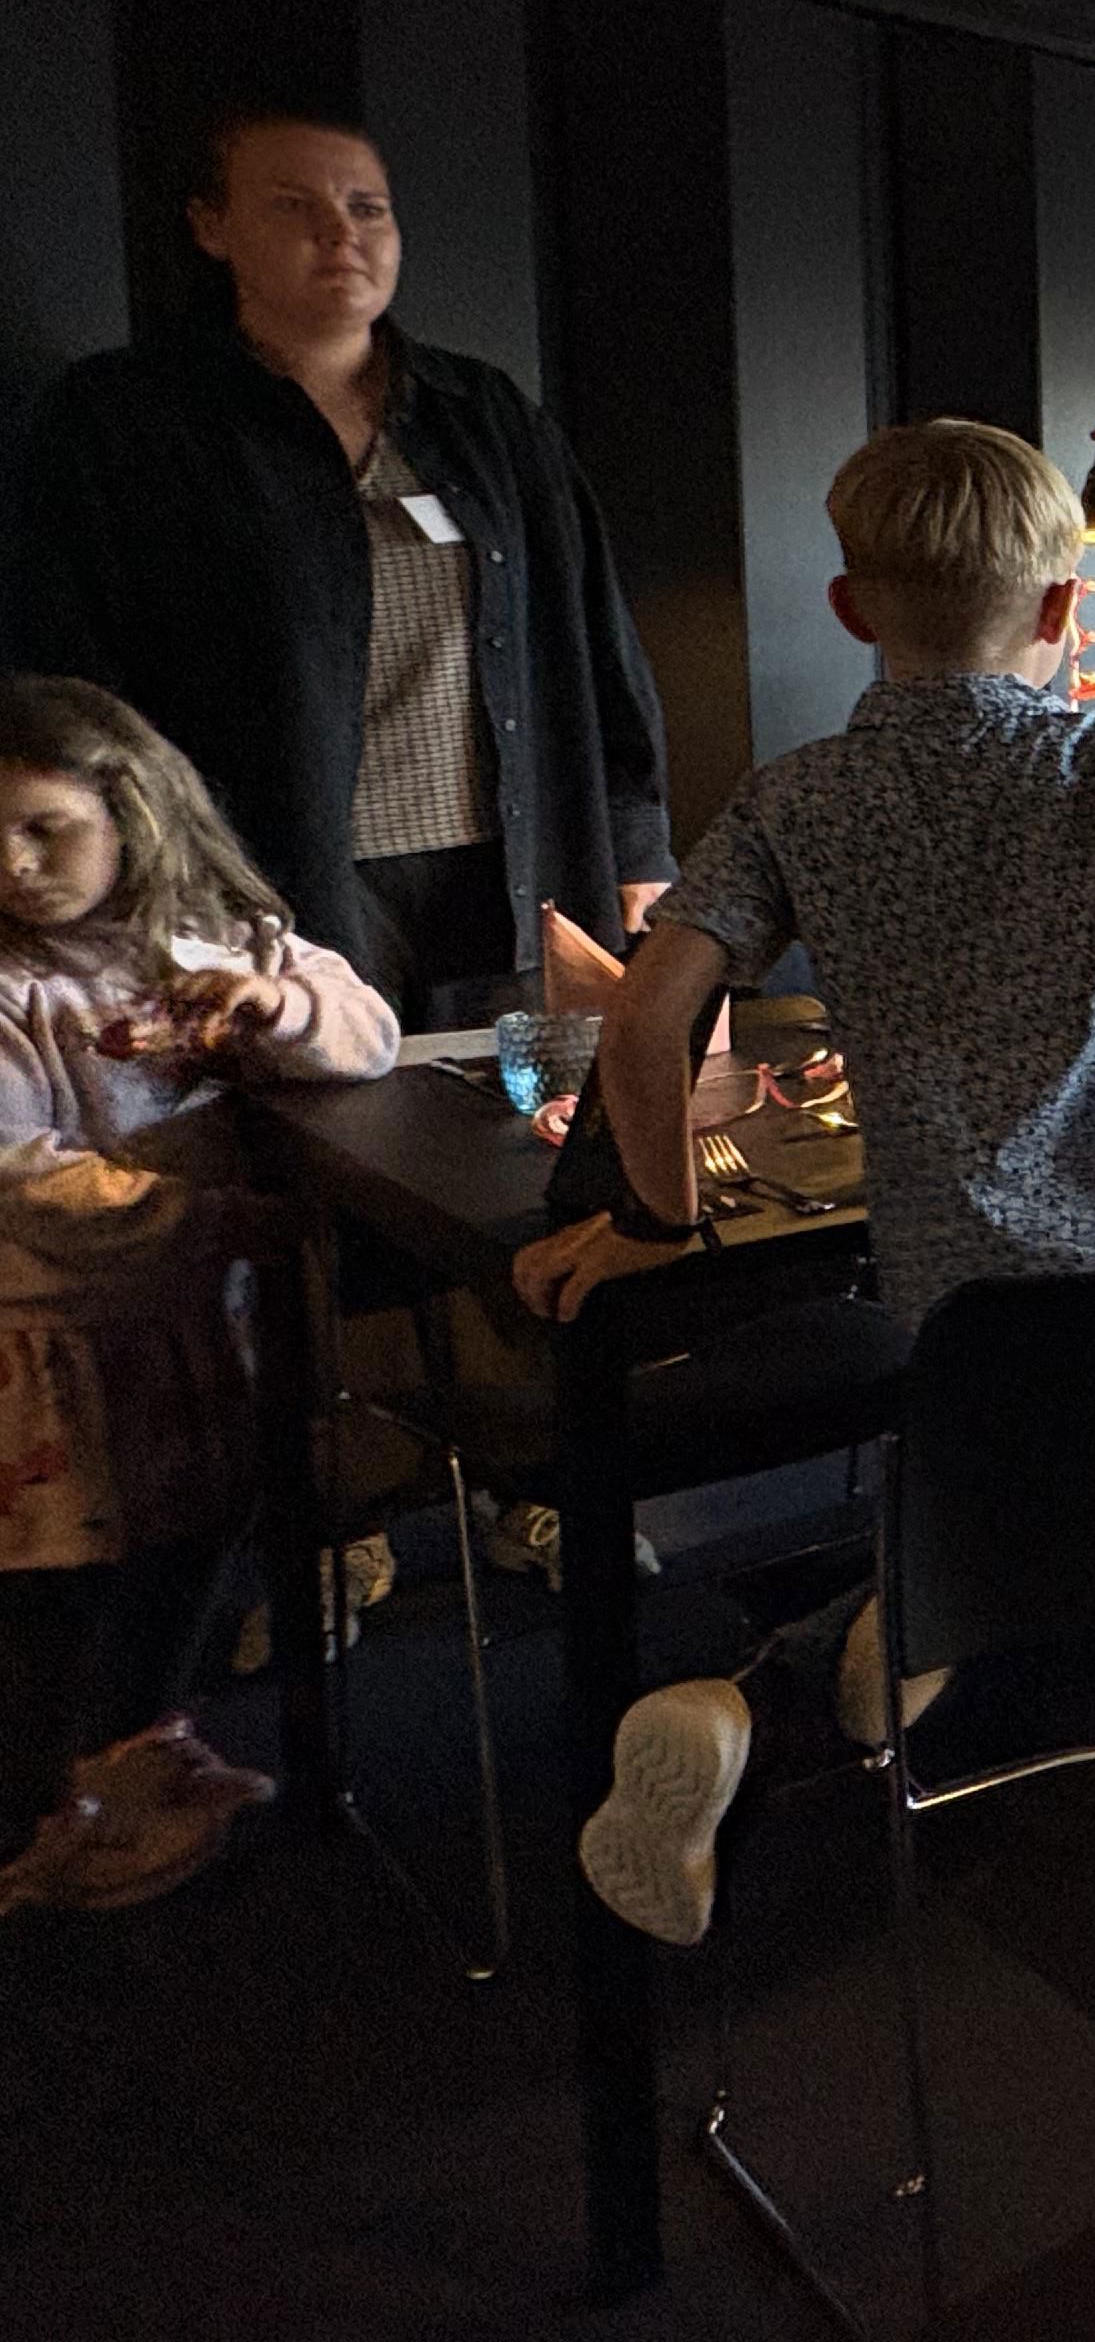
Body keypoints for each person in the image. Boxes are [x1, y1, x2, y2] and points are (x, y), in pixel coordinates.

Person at [515, 422, 1095, 1946]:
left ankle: (769, 1697)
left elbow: (647, 1021)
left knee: (1003, 1482)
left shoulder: (797, 798)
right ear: (1064, 609)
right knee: (1073, 1508)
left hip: (963, 1305)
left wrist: (660, 1219)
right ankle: (829, 1672)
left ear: (849, 608)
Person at [7, 110, 673, 1028]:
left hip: (511, 871)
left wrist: (637, 842)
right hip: (269, 876)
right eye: (294, 205)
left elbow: (595, 637)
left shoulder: (483, 412)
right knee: (323, 1101)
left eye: (368, 208)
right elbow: (75, 676)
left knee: (516, 1105)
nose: (340, 233)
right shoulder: (121, 420)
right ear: (212, 226)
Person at [0, 676, 400, 1920]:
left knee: (194, 1536)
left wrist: (277, 1006)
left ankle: (134, 1754)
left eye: (45, 830)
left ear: (131, 812)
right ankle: (46, 1813)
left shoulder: (213, 940)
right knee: (64, 1584)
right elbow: (20, 1181)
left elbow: (369, 1028)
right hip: (56, 1342)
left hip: (190, 1324)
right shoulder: (10, 985)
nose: (14, 866)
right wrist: (213, 1219)